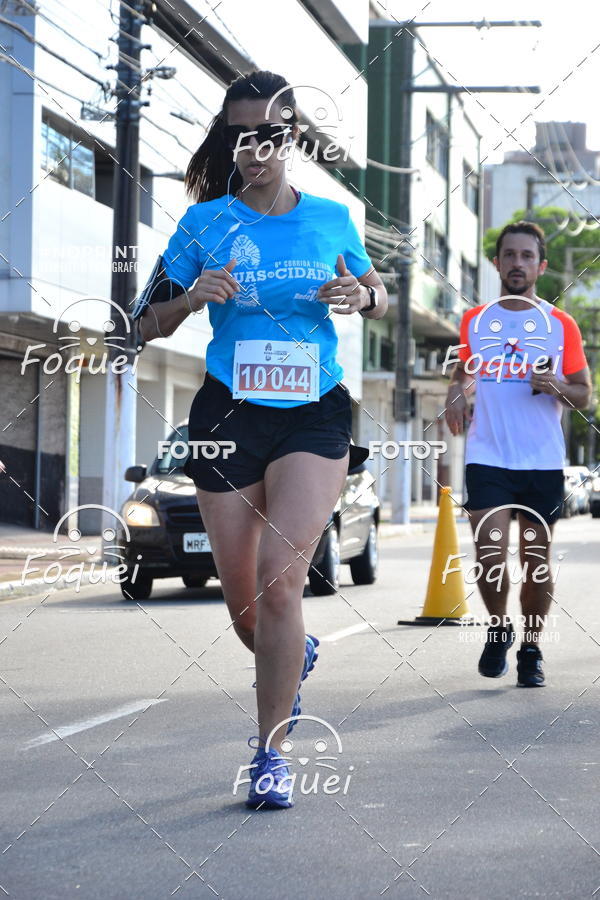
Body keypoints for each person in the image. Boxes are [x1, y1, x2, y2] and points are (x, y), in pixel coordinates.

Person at [132, 70, 387, 808]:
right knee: (245, 606)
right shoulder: (204, 224)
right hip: (227, 416)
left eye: (269, 135)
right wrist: (190, 297)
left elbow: (377, 295)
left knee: (282, 581)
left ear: (291, 137)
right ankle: (291, 654)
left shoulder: (333, 218)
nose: (254, 148)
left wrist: (360, 294)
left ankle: (270, 757)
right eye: (239, 135)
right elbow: (141, 323)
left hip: (313, 411)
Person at [445, 221, 591, 687]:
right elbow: (461, 373)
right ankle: (498, 628)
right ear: (497, 263)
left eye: (527, 256)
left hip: (542, 461)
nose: (517, 264)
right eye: (509, 255)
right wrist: (455, 393)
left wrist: (558, 386)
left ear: (541, 266)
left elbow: (583, 394)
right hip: (488, 455)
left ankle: (530, 647)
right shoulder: (475, 319)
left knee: (535, 561)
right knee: (489, 553)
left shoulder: (561, 324)